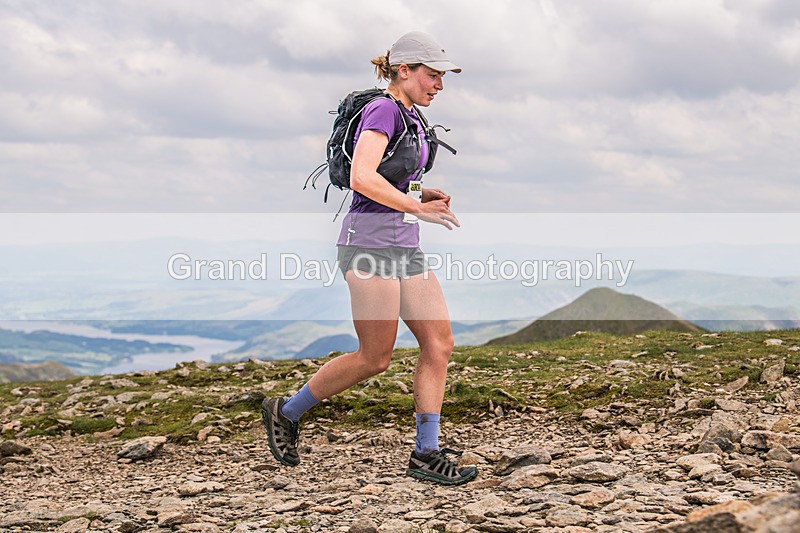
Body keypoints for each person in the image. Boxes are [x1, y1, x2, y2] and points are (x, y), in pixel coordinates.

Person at [262, 31, 477, 485]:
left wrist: (420, 191)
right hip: (369, 246)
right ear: (405, 71)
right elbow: (362, 177)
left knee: (439, 345)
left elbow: (389, 182)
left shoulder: (412, 116)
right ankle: (286, 410)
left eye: (442, 77)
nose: (439, 85)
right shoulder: (383, 109)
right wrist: (417, 206)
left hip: (403, 246)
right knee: (375, 356)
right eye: (433, 75)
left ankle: (426, 453)